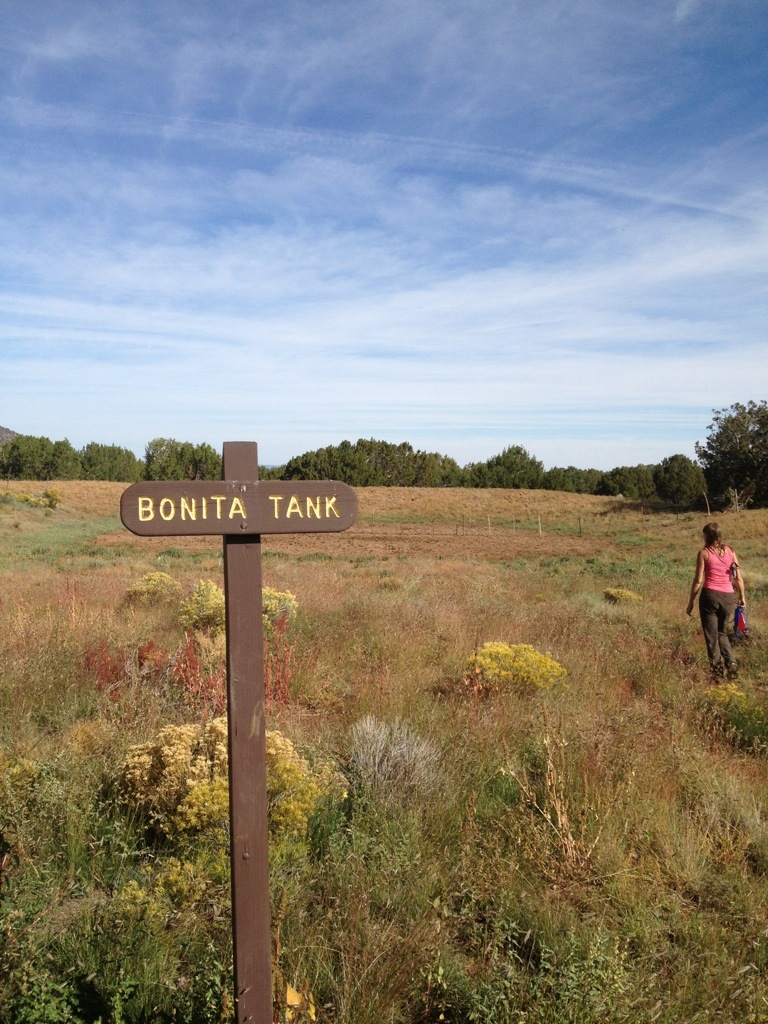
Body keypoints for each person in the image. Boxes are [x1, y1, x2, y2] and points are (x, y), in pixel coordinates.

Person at [686, 522, 746, 679]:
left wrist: (691, 601)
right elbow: (738, 578)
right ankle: (731, 663)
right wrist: (742, 597)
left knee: (711, 635)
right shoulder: (730, 552)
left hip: (710, 596)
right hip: (728, 597)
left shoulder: (704, 553)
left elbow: (698, 580)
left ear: (706, 535)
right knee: (722, 632)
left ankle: (717, 673)